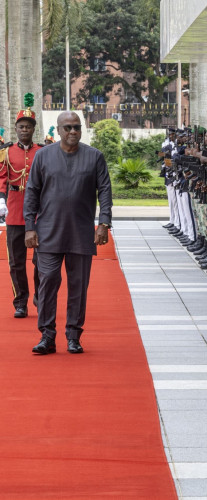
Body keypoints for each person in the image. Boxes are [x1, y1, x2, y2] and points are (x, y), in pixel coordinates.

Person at [24, 111, 112, 355]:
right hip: (48, 233)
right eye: (68, 127)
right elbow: (31, 193)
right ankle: (47, 336)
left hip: (81, 233)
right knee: (48, 282)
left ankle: (73, 335)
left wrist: (104, 223)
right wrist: (30, 227)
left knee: (78, 286)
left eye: (77, 127)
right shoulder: (43, 157)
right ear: (59, 129)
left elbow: (104, 191)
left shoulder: (94, 157)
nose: (73, 131)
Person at [0, 93, 43, 318]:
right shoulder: (6, 152)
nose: (24, 130)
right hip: (15, 210)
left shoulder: (43, 152)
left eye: (28, 126)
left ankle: (39, 295)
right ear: (15, 129)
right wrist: (1, 199)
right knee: (16, 262)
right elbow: (2, 178)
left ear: (33, 129)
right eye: (21, 126)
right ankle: (20, 302)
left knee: (41, 260)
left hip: (39, 213)